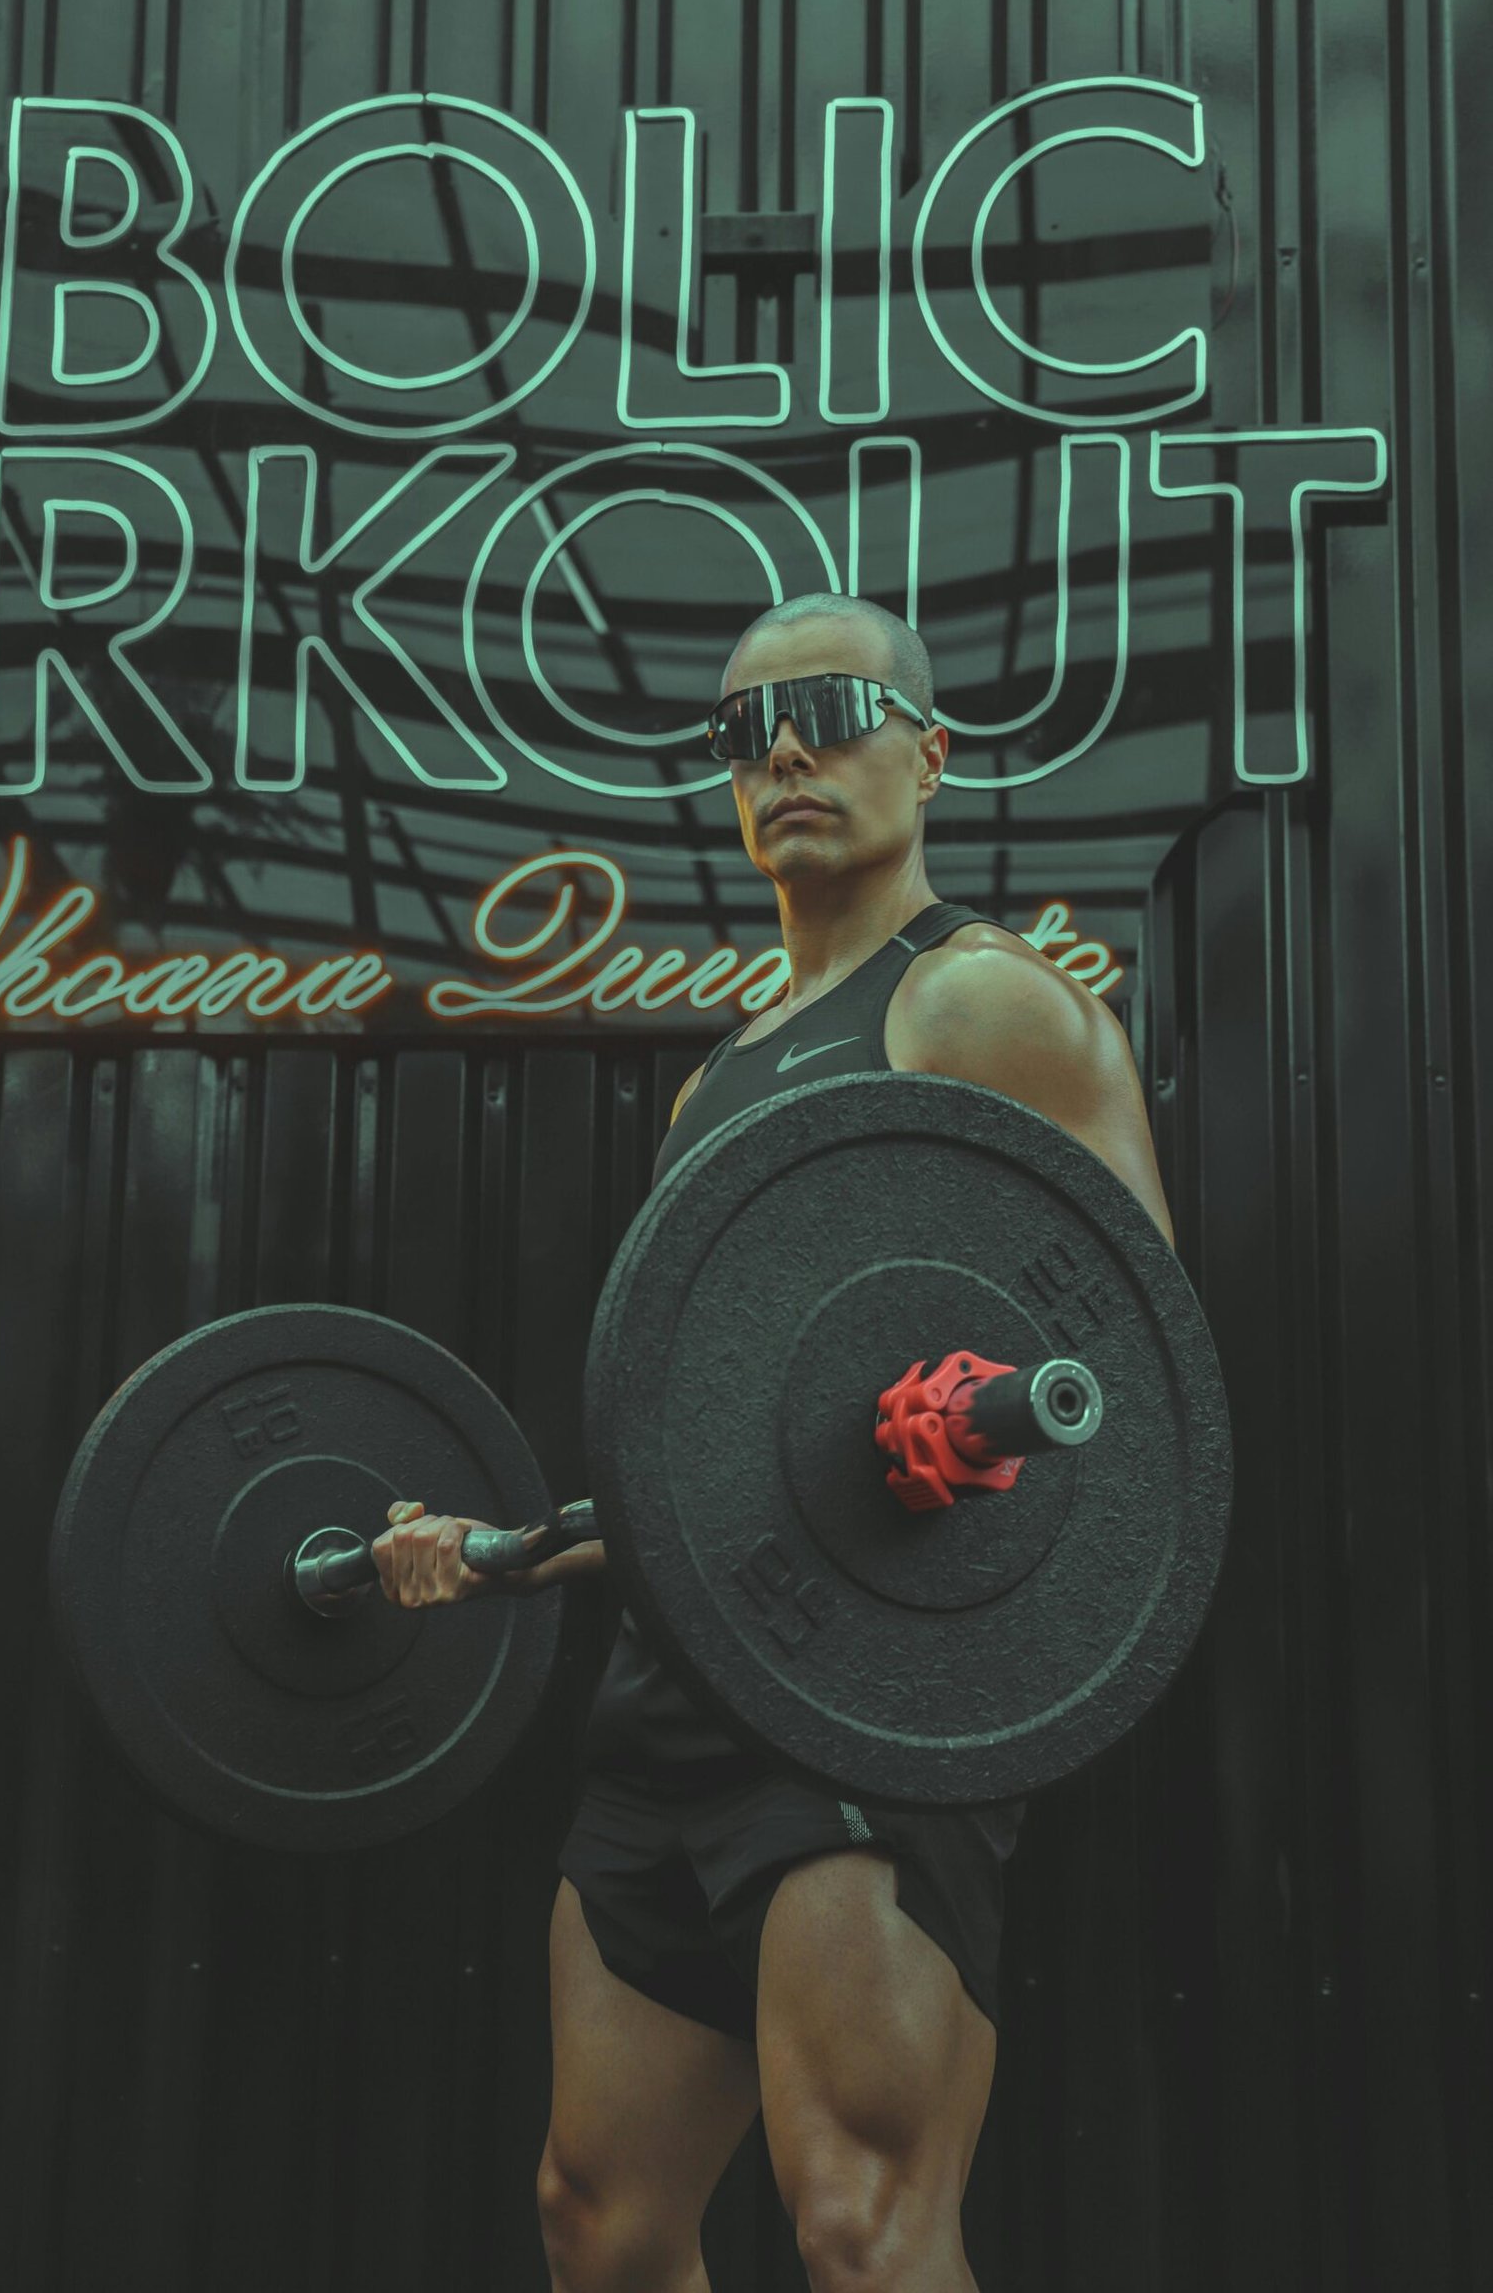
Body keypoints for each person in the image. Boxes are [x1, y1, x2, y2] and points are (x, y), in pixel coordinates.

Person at [372, 592, 1176, 2292]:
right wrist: (510, 1549)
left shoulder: (982, 1006)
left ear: (931, 752)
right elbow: (713, 1451)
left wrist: (974, 1434)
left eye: (827, 711)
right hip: (678, 1696)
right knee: (599, 2221)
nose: (787, 751)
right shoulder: (719, 1083)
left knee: (862, 2225)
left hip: (869, 1710)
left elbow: (1141, 1360)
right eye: (747, 730)